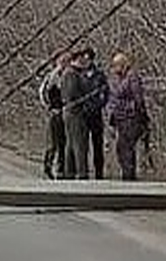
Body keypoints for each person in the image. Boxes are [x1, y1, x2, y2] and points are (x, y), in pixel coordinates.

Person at [106, 51, 151, 181]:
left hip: (131, 117)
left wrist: (142, 116)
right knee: (121, 149)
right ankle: (127, 174)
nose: (114, 69)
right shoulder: (119, 79)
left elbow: (139, 98)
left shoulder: (132, 77)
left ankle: (129, 176)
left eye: (116, 65)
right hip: (120, 118)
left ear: (123, 64)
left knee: (126, 148)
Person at [59, 49, 93, 181]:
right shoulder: (71, 74)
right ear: (76, 59)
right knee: (79, 144)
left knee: (71, 143)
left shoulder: (69, 73)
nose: (84, 62)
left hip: (69, 112)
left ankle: (70, 171)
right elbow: (73, 94)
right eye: (81, 59)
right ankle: (81, 172)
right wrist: (84, 99)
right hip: (74, 112)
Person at [77, 47, 109, 179]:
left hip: (96, 114)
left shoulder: (100, 75)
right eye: (84, 59)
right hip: (84, 114)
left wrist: (99, 105)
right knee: (83, 145)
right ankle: (83, 172)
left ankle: (99, 172)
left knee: (98, 145)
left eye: (88, 59)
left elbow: (105, 93)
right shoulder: (80, 75)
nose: (86, 61)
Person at [39, 50, 72, 179]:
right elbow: (43, 93)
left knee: (64, 142)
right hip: (55, 112)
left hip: (66, 112)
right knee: (53, 143)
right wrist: (49, 107)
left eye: (67, 61)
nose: (65, 63)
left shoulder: (71, 75)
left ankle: (61, 169)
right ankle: (47, 166)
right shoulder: (52, 77)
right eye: (62, 60)